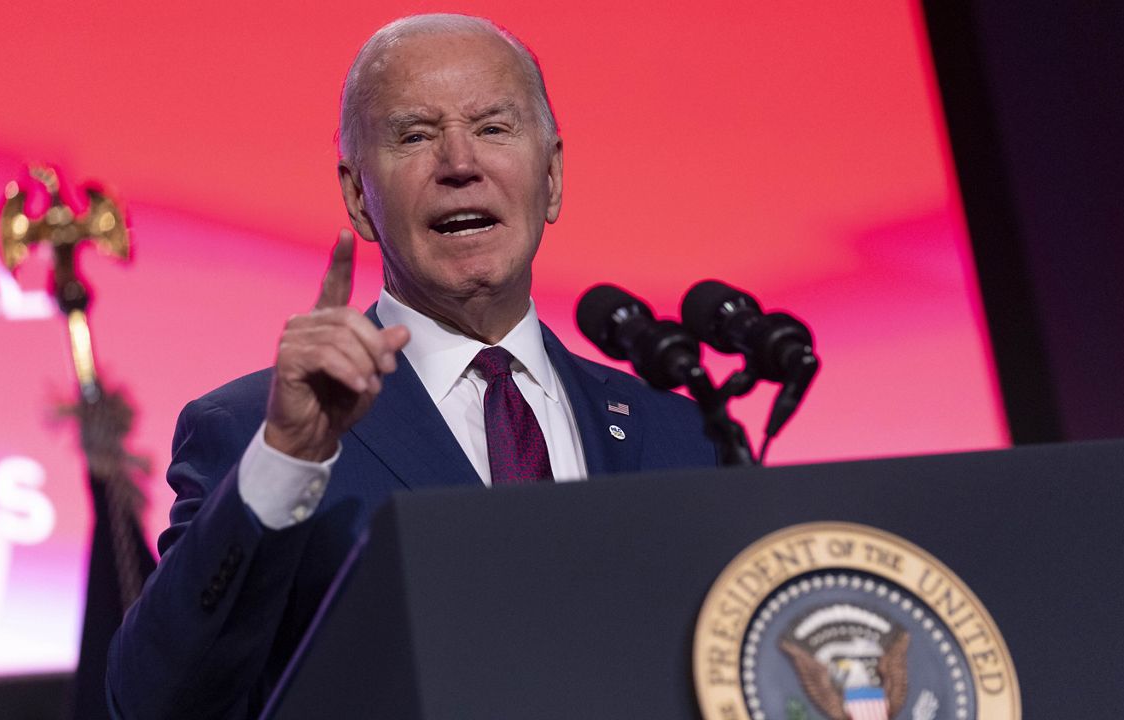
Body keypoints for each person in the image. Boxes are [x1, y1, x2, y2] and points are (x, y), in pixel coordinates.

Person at [106, 13, 716, 719]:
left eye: (493, 128)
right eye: (415, 136)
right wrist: (287, 459)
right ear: (359, 196)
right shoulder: (255, 432)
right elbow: (153, 703)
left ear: (550, 177)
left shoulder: (677, 433)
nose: (460, 163)